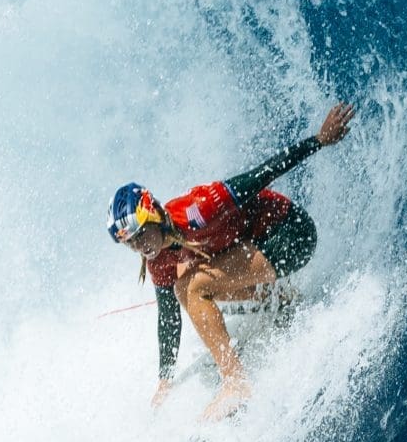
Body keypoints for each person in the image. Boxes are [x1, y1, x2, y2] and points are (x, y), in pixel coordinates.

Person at [109, 102, 354, 419]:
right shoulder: (157, 258)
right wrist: (165, 380)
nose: (140, 247)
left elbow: (263, 173)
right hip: (257, 249)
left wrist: (319, 140)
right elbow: (168, 316)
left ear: (154, 215)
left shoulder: (200, 208)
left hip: (291, 236)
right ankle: (282, 301)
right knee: (183, 290)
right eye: (131, 245)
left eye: (141, 236)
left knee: (195, 286)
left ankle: (236, 382)